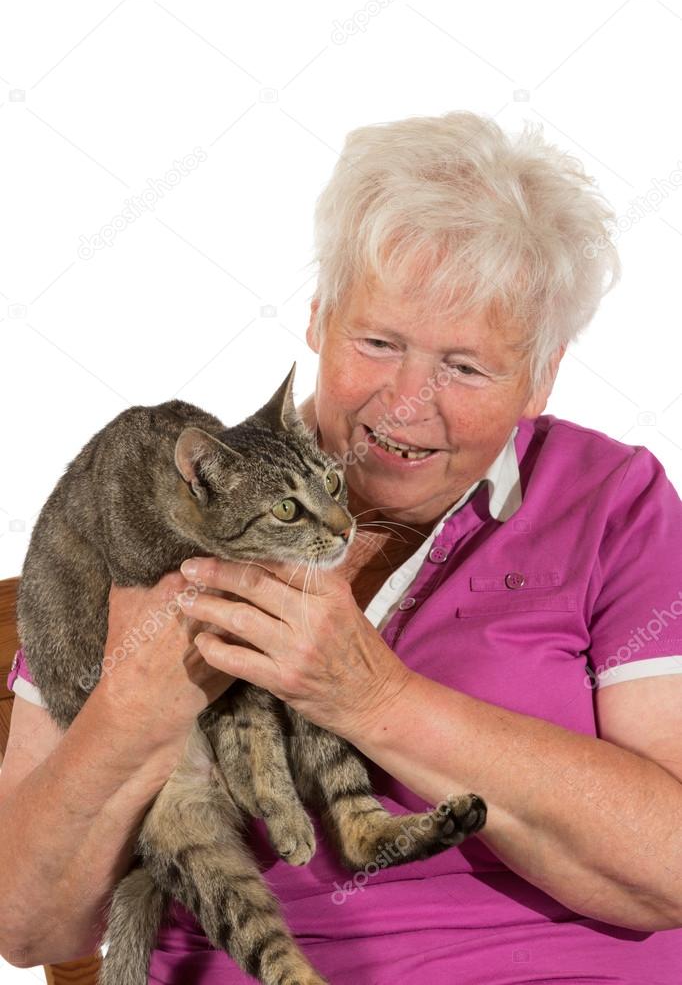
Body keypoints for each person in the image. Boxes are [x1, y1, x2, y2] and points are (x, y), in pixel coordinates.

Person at [2, 111, 682, 985]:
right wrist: (130, 707)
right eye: (378, 342)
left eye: (465, 368)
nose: (405, 403)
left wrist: (374, 697)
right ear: (319, 319)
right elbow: (27, 925)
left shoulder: (611, 502)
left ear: (541, 376)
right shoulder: (166, 505)